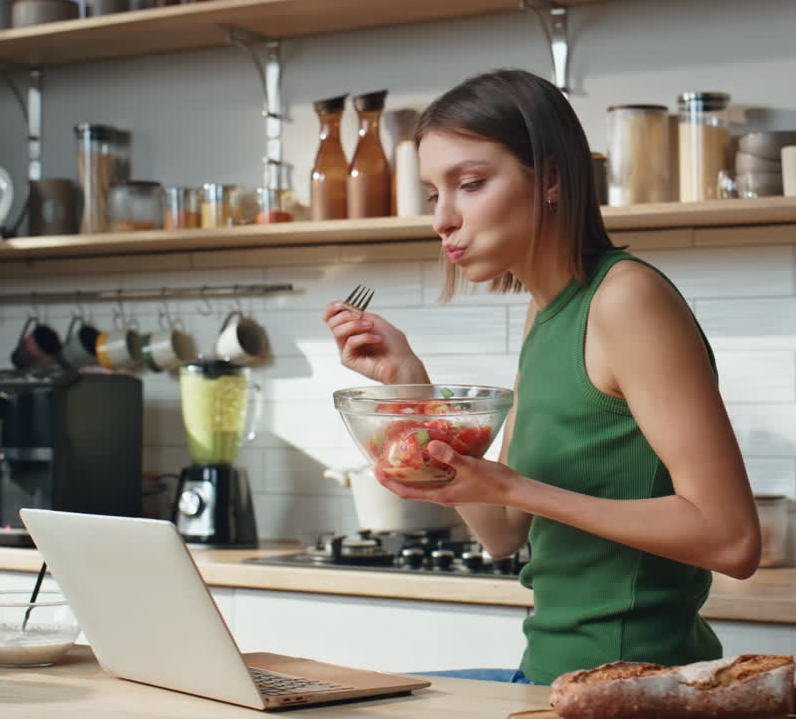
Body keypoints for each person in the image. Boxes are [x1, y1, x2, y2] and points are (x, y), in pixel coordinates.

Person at [321, 69, 761, 686]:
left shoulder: (625, 299)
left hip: (634, 687)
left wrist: (516, 488)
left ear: (551, 176)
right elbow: (502, 533)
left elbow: (732, 540)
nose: (441, 219)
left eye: (470, 184)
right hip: (551, 677)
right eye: (432, 194)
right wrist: (409, 385)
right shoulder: (546, 311)